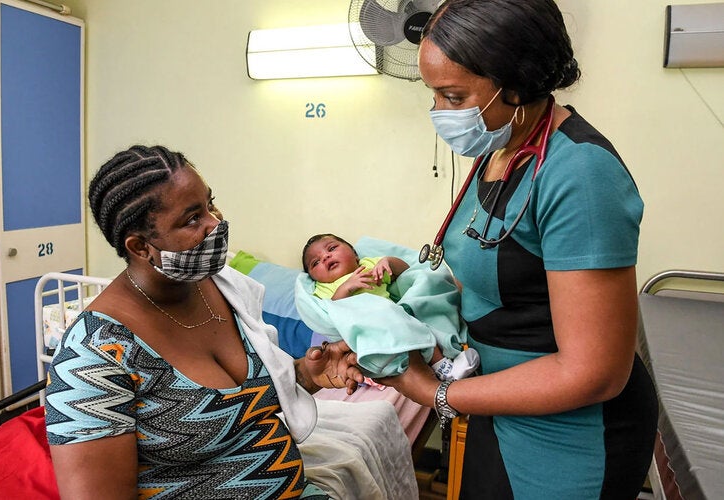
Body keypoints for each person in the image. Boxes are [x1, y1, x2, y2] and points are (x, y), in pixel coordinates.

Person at [378, 1, 659, 499]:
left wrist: (435, 393)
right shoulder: (499, 145)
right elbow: (484, 274)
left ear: (516, 83)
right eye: (434, 95)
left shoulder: (580, 175)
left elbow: (593, 373)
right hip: (498, 403)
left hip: (572, 432)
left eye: (453, 95)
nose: (439, 113)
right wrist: (387, 320)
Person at [44, 145, 366, 500]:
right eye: (192, 218)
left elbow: (251, 399)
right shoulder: (94, 355)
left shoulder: (224, 286)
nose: (217, 222)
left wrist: (307, 374)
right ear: (139, 247)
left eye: (210, 204)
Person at [298, 233, 479, 381]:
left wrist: (388, 263)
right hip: (373, 325)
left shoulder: (367, 266)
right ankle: (443, 368)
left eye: (332, 248)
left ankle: (452, 347)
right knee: (407, 328)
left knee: (421, 312)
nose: (326, 257)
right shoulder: (325, 288)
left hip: (395, 314)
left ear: (354, 254)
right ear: (314, 278)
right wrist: (346, 287)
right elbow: (333, 310)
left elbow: (407, 271)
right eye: (316, 263)